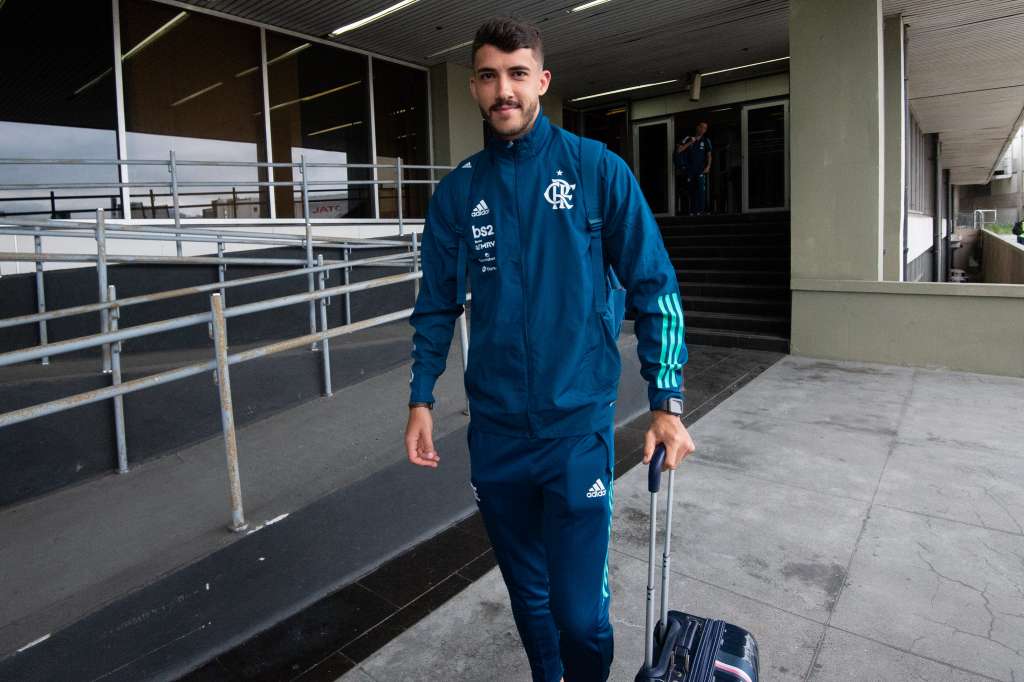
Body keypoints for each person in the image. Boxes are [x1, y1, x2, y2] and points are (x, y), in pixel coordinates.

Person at [404, 17, 695, 682]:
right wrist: (421, 394)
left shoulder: (597, 172)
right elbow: (435, 304)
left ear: (541, 79)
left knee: (579, 615)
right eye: (488, 75)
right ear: (476, 87)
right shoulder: (458, 193)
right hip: (498, 434)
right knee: (529, 599)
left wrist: (666, 401)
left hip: (575, 432)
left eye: (515, 73)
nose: (502, 89)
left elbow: (655, 286)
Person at [678, 122, 712, 214]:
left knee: (700, 190)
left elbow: (709, 155)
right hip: (689, 170)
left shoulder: (706, 140)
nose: (703, 130)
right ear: (697, 127)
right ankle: (692, 212)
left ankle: (701, 211)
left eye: (705, 128)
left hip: (700, 169)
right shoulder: (688, 138)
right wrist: (690, 142)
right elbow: (679, 150)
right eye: (701, 127)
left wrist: (708, 166)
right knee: (691, 190)